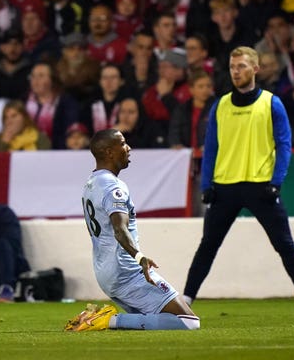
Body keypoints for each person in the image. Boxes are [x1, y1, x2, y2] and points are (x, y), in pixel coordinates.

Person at [183, 46, 294, 315]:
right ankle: (185, 301)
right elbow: (210, 147)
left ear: (255, 69)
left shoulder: (271, 103)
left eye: (242, 66)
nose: (236, 72)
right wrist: (206, 185)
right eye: (233, 67)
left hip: (261, 186)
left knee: (284, 244)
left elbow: (284, 145)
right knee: (208, 247)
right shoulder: (220, 105)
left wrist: (277, 180)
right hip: (225, 187)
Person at [65, 129, 199, 331]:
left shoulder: (91, 184)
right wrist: (139, 257)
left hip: (105, 271)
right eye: (123, 143)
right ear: (109, 152)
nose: (128, 148)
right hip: (127, 271)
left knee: (152, 323)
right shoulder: (112, 186)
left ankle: (105, 320)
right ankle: (104, 320)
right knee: (187, 321)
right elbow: (119, 229)